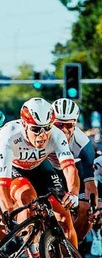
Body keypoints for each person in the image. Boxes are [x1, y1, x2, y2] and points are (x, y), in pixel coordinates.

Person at [0, 97, 91, 258]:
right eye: (36, 129)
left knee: (63, 213)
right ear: (25, 125)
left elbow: (69, 169)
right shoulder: (9, 136)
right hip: (14, 169)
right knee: (27, 200)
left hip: (39, 167)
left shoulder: (55, 134)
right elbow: (2, 187)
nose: (42, 134)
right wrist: (8, 211)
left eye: (46, 128)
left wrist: (72, 194)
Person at [50, 98, 97, 241]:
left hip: (73, 170)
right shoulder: (42, 135)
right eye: (58, 124)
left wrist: (94, 208)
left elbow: (90, 185)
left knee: (86, 209)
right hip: (49, 170)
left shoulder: (84, 144)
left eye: (69, 125)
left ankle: (72, 248)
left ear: (75, 123)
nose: (63, 129)